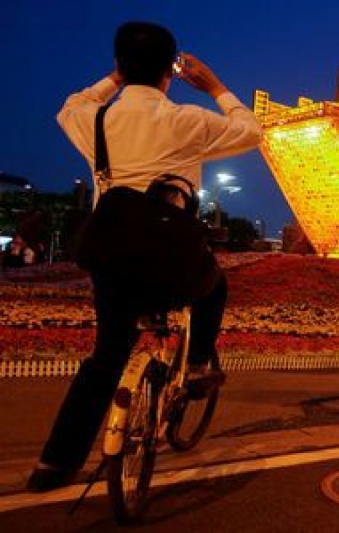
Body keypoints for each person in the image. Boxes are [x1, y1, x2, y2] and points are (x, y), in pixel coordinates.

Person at [26, 21, 262, 493]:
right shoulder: (188, 121)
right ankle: (195, 366)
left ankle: (55, 464)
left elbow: (72, 105)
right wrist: (214, 86)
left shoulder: (95, 120)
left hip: (110, 254)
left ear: (119, 65)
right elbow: (251, 131)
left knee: (105, 357)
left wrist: (114, 79)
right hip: (170, 255)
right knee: (213, 288)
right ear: (170, 74)